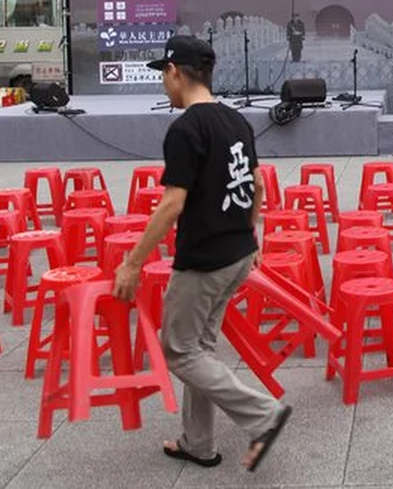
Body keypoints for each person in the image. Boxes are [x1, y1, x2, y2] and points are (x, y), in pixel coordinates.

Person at [112, 35, 291, 473]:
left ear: (175, 71)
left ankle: (264, 416)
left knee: (179, 351)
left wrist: (132, 262)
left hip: (205, 260)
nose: (163, 85)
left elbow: (173, 203)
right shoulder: (236, 121)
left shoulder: (186, 128)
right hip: (237, 254)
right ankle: (199, 442)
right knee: (199, 349)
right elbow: (259, 184)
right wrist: (254, 239)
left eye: (163, 76)